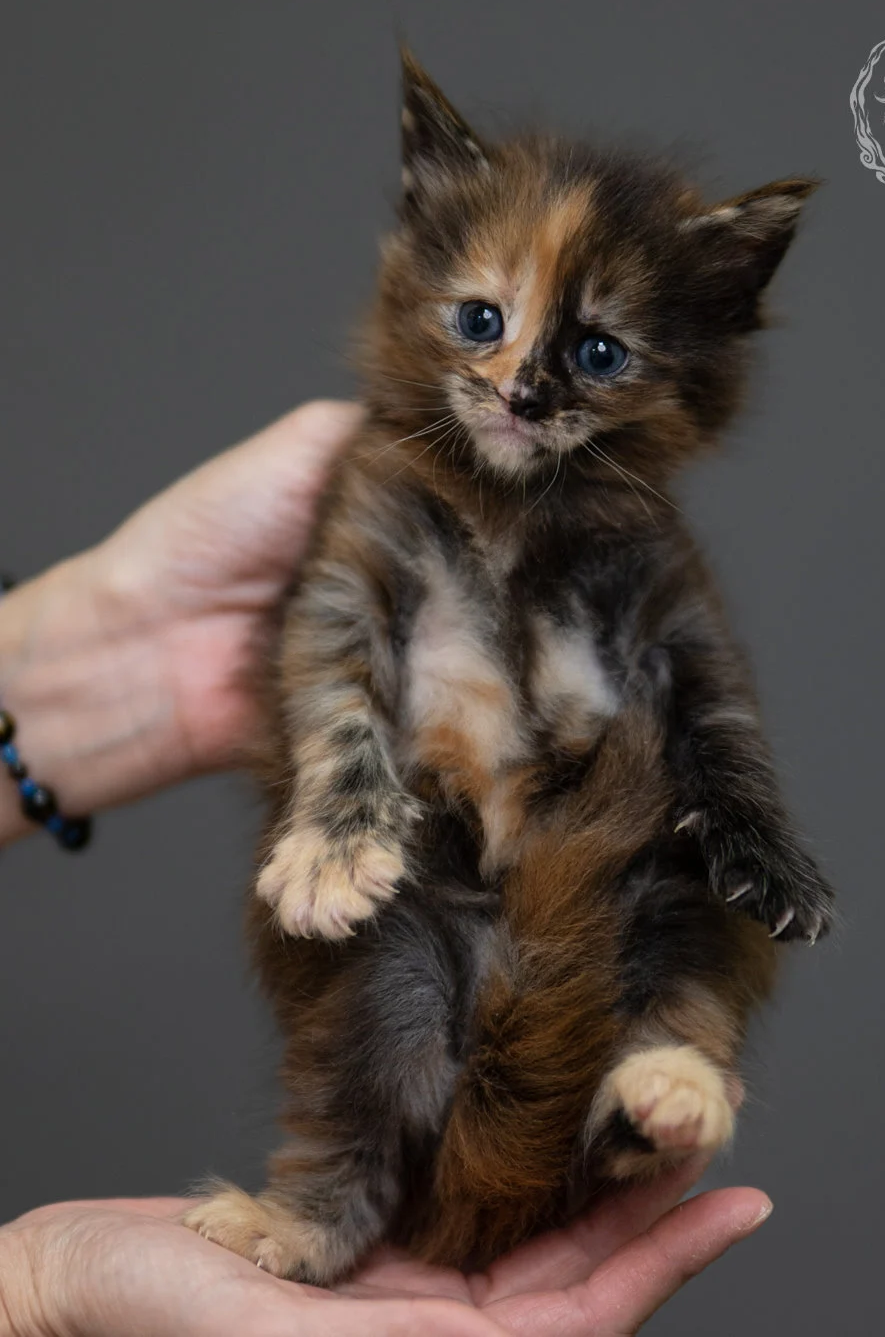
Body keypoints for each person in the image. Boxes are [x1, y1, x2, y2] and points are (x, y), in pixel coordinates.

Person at [0, 402, 773, 1335]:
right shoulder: (391, 481)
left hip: (591, 924)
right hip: (433, 896)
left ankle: (650, 1071)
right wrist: (31, 1293)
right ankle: (332, 1206)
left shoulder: (625, 537)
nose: (522, 391)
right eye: (481, 324)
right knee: (385, 972)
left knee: (669, 888)